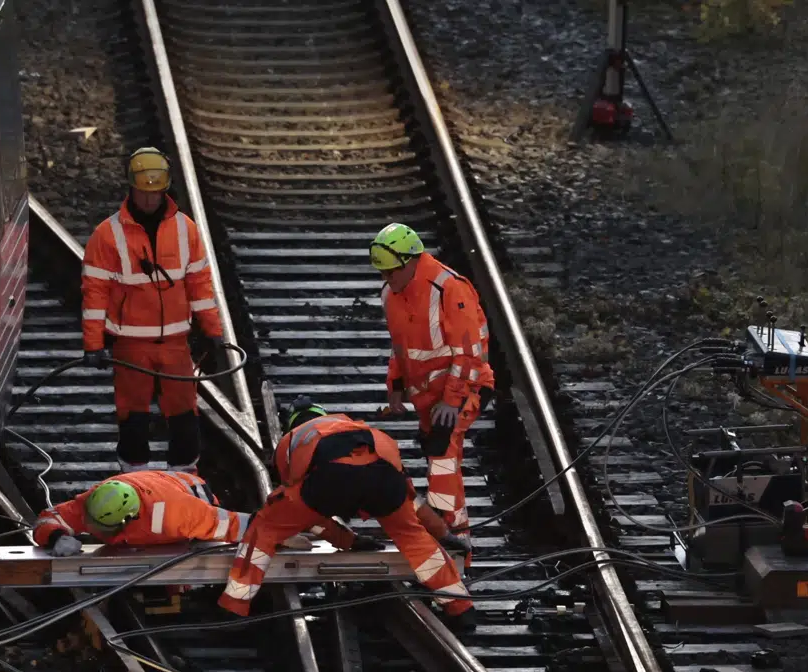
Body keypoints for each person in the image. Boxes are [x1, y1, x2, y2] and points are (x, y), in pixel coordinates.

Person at [219, 398, 476, 633]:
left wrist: (344, 540)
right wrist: (442, 534)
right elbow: (411, 500)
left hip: (332, 478)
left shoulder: (294, 439)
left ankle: (233, 607)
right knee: (414, 538)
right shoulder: (362, 432)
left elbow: (304, 513)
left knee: (265, 528)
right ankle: (461, 609)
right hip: (383, 477)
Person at [80, 147, 225, 472]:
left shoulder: (185, 230)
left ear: (165, 189)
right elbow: (94, 292)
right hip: (130, 347)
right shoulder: (108, 235)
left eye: (154, 192)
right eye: (143, 193)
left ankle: (185, 485)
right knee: (133, 419)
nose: (149, 200)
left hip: (176, 344)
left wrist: (213, 331)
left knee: (185, 419)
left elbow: (200, 285)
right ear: (131, 187)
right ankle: (135, 485)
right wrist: (93, 343)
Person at [372, 223, 495, 550]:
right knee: (437, 453)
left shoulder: (449, 288)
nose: (388, 278)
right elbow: (400, 346)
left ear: (412, 260)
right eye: (383, 272)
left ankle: (451, 539)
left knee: (442, 454)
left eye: (392, 271)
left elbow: (469, 352)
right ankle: (450, 536)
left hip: (464, 388)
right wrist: (395, 385)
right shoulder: (391, 293)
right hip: (429, 398)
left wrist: (453, 401)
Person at [32, 470, 249, 556]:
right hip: (156, 485)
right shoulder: (94, 502)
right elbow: (47, 519)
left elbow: (230, 525)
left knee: (189, 553)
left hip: (193, 493)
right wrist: (56, 537)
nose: (89, 527)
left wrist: (270, 530)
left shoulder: (176, 514)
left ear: (128, 519)